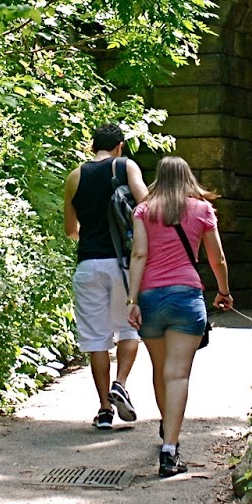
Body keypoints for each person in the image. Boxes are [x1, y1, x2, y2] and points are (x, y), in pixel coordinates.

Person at [125, 156, 232, 476]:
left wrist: (132, 300)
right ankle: (170, 450)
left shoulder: (144, 211)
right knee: (178, 375)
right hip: (186, 298)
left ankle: (166, 427)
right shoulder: (202, 210)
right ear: (188, 178)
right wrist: (224, 291)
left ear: (159, 178)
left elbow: (138, 254)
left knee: (160, 371)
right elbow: (217, 258)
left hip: (150, 299)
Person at [62, 124, 147, 429]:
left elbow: (70, 230)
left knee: (96, 339)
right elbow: (146, 206)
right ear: (120, 146)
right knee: (128, 329)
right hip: (123, 263)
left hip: (88, 265)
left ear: (92, 146)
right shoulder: (125, 166)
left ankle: (104, 410)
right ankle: (120, 384)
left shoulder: (75, 176)